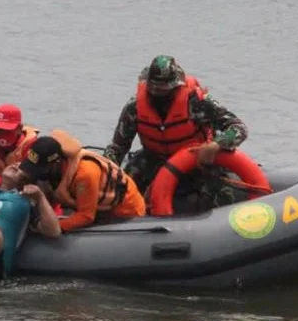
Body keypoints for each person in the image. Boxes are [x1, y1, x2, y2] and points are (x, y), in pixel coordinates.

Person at [102, 55, 248, 211]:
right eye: (154, 89)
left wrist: (217, 144)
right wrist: (104, 171)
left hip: (196, 161)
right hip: (153, 161)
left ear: (176, 86)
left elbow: (238, 127)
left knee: (221, 194)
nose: (158, 94)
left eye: (164, 90)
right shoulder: (134, 108)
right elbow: (118, 147)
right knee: (122, 185)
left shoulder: (198, 103)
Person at [17, 131, 145, 232]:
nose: (38, 173)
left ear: (57, 162)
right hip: (98, 209)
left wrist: (50, 227)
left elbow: (86, 216)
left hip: (126, 213)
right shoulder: (56, 168)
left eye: (41, 168)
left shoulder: (84, 175)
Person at [0, 103, 39, 177]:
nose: (1, 135)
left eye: (7, 130)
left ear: (19, 128)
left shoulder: (32, 147)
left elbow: (30, 177)